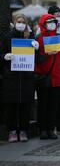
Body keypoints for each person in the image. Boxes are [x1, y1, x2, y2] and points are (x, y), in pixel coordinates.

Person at [0, 14, 39, 142]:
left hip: (26, 78)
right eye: (19, 21)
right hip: (11, 78)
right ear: (14, 22)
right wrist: (5, 56)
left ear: (26, 23)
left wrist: (36, 48)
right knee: (11, 106)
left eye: (23, 22)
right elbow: (1, 53)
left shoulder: (31, 37)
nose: (21, 24)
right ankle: (11, 130)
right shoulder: (8, 37)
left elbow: (37, 59)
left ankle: (23, 130)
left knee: (25, 106)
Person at [35, 14, 60, 140]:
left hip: (58, 77)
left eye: (53, 22)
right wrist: (47, 54)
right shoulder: (38, 39)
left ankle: (51, 128)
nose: (51, 24)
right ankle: (43, 129)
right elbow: (35, 59)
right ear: (43, 24)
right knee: (43, 105)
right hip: (43, 77)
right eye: (48, 22)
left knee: (54, 105)